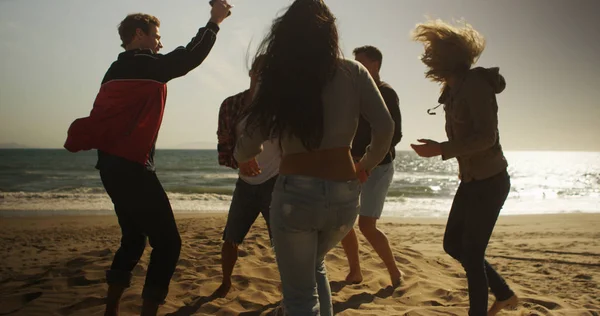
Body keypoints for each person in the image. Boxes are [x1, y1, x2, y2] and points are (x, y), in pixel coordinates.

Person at [63, 2, 232, 315]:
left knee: (133, 239)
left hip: (111, 167)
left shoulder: (116, 69)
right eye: (156, 36)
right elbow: (187, 57)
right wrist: (214, 21)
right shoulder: (140, 64)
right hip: (131, 167)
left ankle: (111, 309)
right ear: (138, 35)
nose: (160, 42)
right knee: (168, 244)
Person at [233, 1, 394, 315]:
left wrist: (243, 157)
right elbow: (385, 125)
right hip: (345, 196)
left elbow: (253, 132)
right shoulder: (353, 71)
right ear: (330, 30)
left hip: (296, 197)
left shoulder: (280, 76)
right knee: (313, 265)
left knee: (299, 299)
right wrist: (367, 164)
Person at [410, 19, 518, 316]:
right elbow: (467, 136)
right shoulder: (453, 90)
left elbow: (486, 137)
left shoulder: (475, 87)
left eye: (432, 52)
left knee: (471, 253)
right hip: (471, 179)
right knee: (452, 245)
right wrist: (439, 145)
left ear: (447, 58)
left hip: (491, 180)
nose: (427, 58)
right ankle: (505, 294)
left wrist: (441, 149)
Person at [213, 55, 281, 298]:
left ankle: (288, 287)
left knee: (281, 243)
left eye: (269, 74)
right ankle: (226, 281)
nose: (263, 77)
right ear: (251, 73)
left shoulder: (281, 109)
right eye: (259, 72)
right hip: (245, 184)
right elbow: (224, 147)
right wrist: (240, 161)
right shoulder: (231, 105)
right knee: (231, 237)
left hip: (275, 183)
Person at [340, 45, 403, 287]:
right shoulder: (355, 93)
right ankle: (355, 272)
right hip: (352, 164)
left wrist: (369, 162)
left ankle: (395, 272)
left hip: (379, 166)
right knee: (344, 220)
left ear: (374, 65)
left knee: (366, 225)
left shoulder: (386, 93)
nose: (355, 66)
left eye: (360, 61)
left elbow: (394, 134)